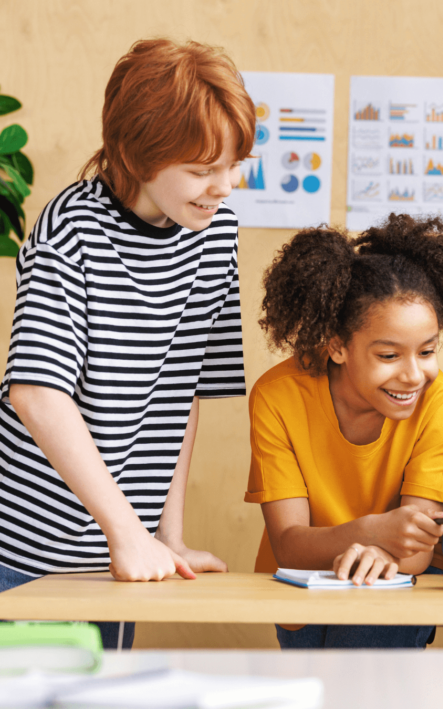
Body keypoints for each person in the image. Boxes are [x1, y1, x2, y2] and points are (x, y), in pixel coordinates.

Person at [0, 38, 255, 649]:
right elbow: (36, 394)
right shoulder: (70, 228)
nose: (224, 186)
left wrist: (164, 535)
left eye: (234, 164)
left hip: (125, 551)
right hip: (24, 550)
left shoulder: (214, 232)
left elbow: (182, 389)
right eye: (201, 170)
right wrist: (124, 532)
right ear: (137, 155)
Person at [245, 215, 443, 649]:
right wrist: (373, 532)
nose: (414, 375)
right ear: (337, 346)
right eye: (389, 354)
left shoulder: (439, 400)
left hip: (399, 581)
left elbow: (415, 550)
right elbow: (289, 546)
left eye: (428, 351)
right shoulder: (278, 396)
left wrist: (379, 550)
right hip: (303, 586)